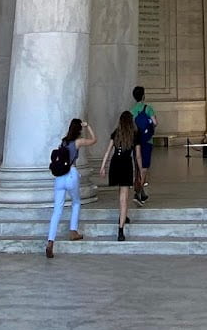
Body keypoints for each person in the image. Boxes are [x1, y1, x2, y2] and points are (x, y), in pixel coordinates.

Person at [45, 117, 97, 259]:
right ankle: (73, 231)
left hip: (59, 177)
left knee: (57, 210)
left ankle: (50, 241)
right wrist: (88, 126)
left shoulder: (63, 142)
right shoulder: (78, 142)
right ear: (79, 129)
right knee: (76, 202)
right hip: (71, 174)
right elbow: (94, 140)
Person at [99, 110, 143, 241]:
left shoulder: (116, 133)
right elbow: (138, 156)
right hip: (125, 165)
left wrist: (102, 167)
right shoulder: (135, 134)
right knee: (124, 197)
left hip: (115, 164)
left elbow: (108, 151)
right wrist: (140, 171)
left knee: (121, 194)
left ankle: (123, 216)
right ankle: (120, 229)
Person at [130, 85, 157, 204]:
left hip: (136, 141)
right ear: (143, 96)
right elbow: (155, 123)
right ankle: (138, 192)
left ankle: (142, 193)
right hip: (147, 141)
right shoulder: (148, 108)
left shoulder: (131, 110)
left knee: (137, 166)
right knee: (144, 167)